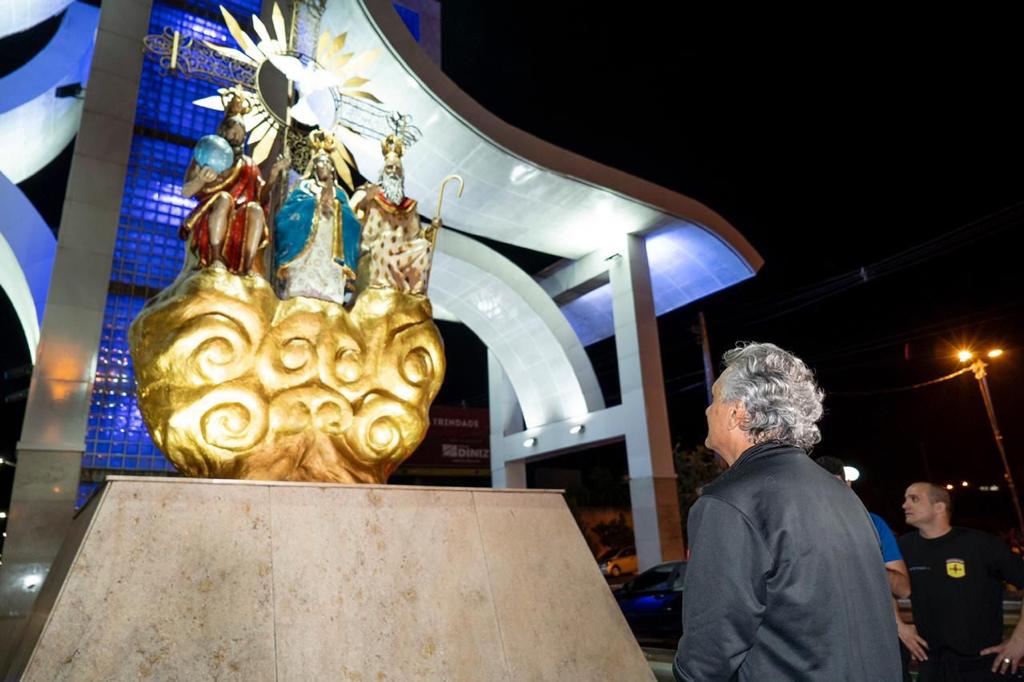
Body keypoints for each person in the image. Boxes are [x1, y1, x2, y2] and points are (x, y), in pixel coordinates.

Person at [672, 342, 900, 681]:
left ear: (739, 412)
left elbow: (710, 650)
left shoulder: (729, 501)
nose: (707, 411)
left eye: (715, 398)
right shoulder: (842, 494)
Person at [899, 482, 1024, 680]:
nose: (905, 505)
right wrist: (901, 628)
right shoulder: (903, 547)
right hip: (931, 665)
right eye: (906, 499)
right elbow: (877, 586)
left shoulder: (981, 544)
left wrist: (1019, 641)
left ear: (939, 507)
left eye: (914, 499)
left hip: (983, 664)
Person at [179, 90, 288, 275]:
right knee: (224, 198)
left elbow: (260, 197)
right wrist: (200, 180)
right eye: (234, 131)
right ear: (223, 131)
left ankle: (247, 267)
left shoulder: (248, 164)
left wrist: (273, 176)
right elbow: (186, 192)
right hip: (213, 211)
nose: (238, 137)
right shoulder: (206, 155)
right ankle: (215, 257)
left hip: (241, 215)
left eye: (242, 134)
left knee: (255, 209)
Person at [273, 131, 361, 304]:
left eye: (328, 163)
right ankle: (300, 289)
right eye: (321, 162)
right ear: (314, 167)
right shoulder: (304, 186)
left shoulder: (340, 193)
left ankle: (331, 294)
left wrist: (336, 208)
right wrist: (316, 204)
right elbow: (287, 214)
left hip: (331, 245)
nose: (325, 166)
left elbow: (353, 224)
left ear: (333, 168)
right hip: (306, 244)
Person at [350, 134, 437, 295]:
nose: (393, 172)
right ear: (382, 172)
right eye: (389, 168)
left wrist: (431, 230)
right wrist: (365, 201)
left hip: (401, 249)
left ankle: (415, 292)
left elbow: (416, 234)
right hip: (373, 245)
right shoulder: (370, 192)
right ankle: (381, 288)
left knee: (423, 246)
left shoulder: (408, 205)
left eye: (397, 169)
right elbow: (351, 214)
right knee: (383, 241)